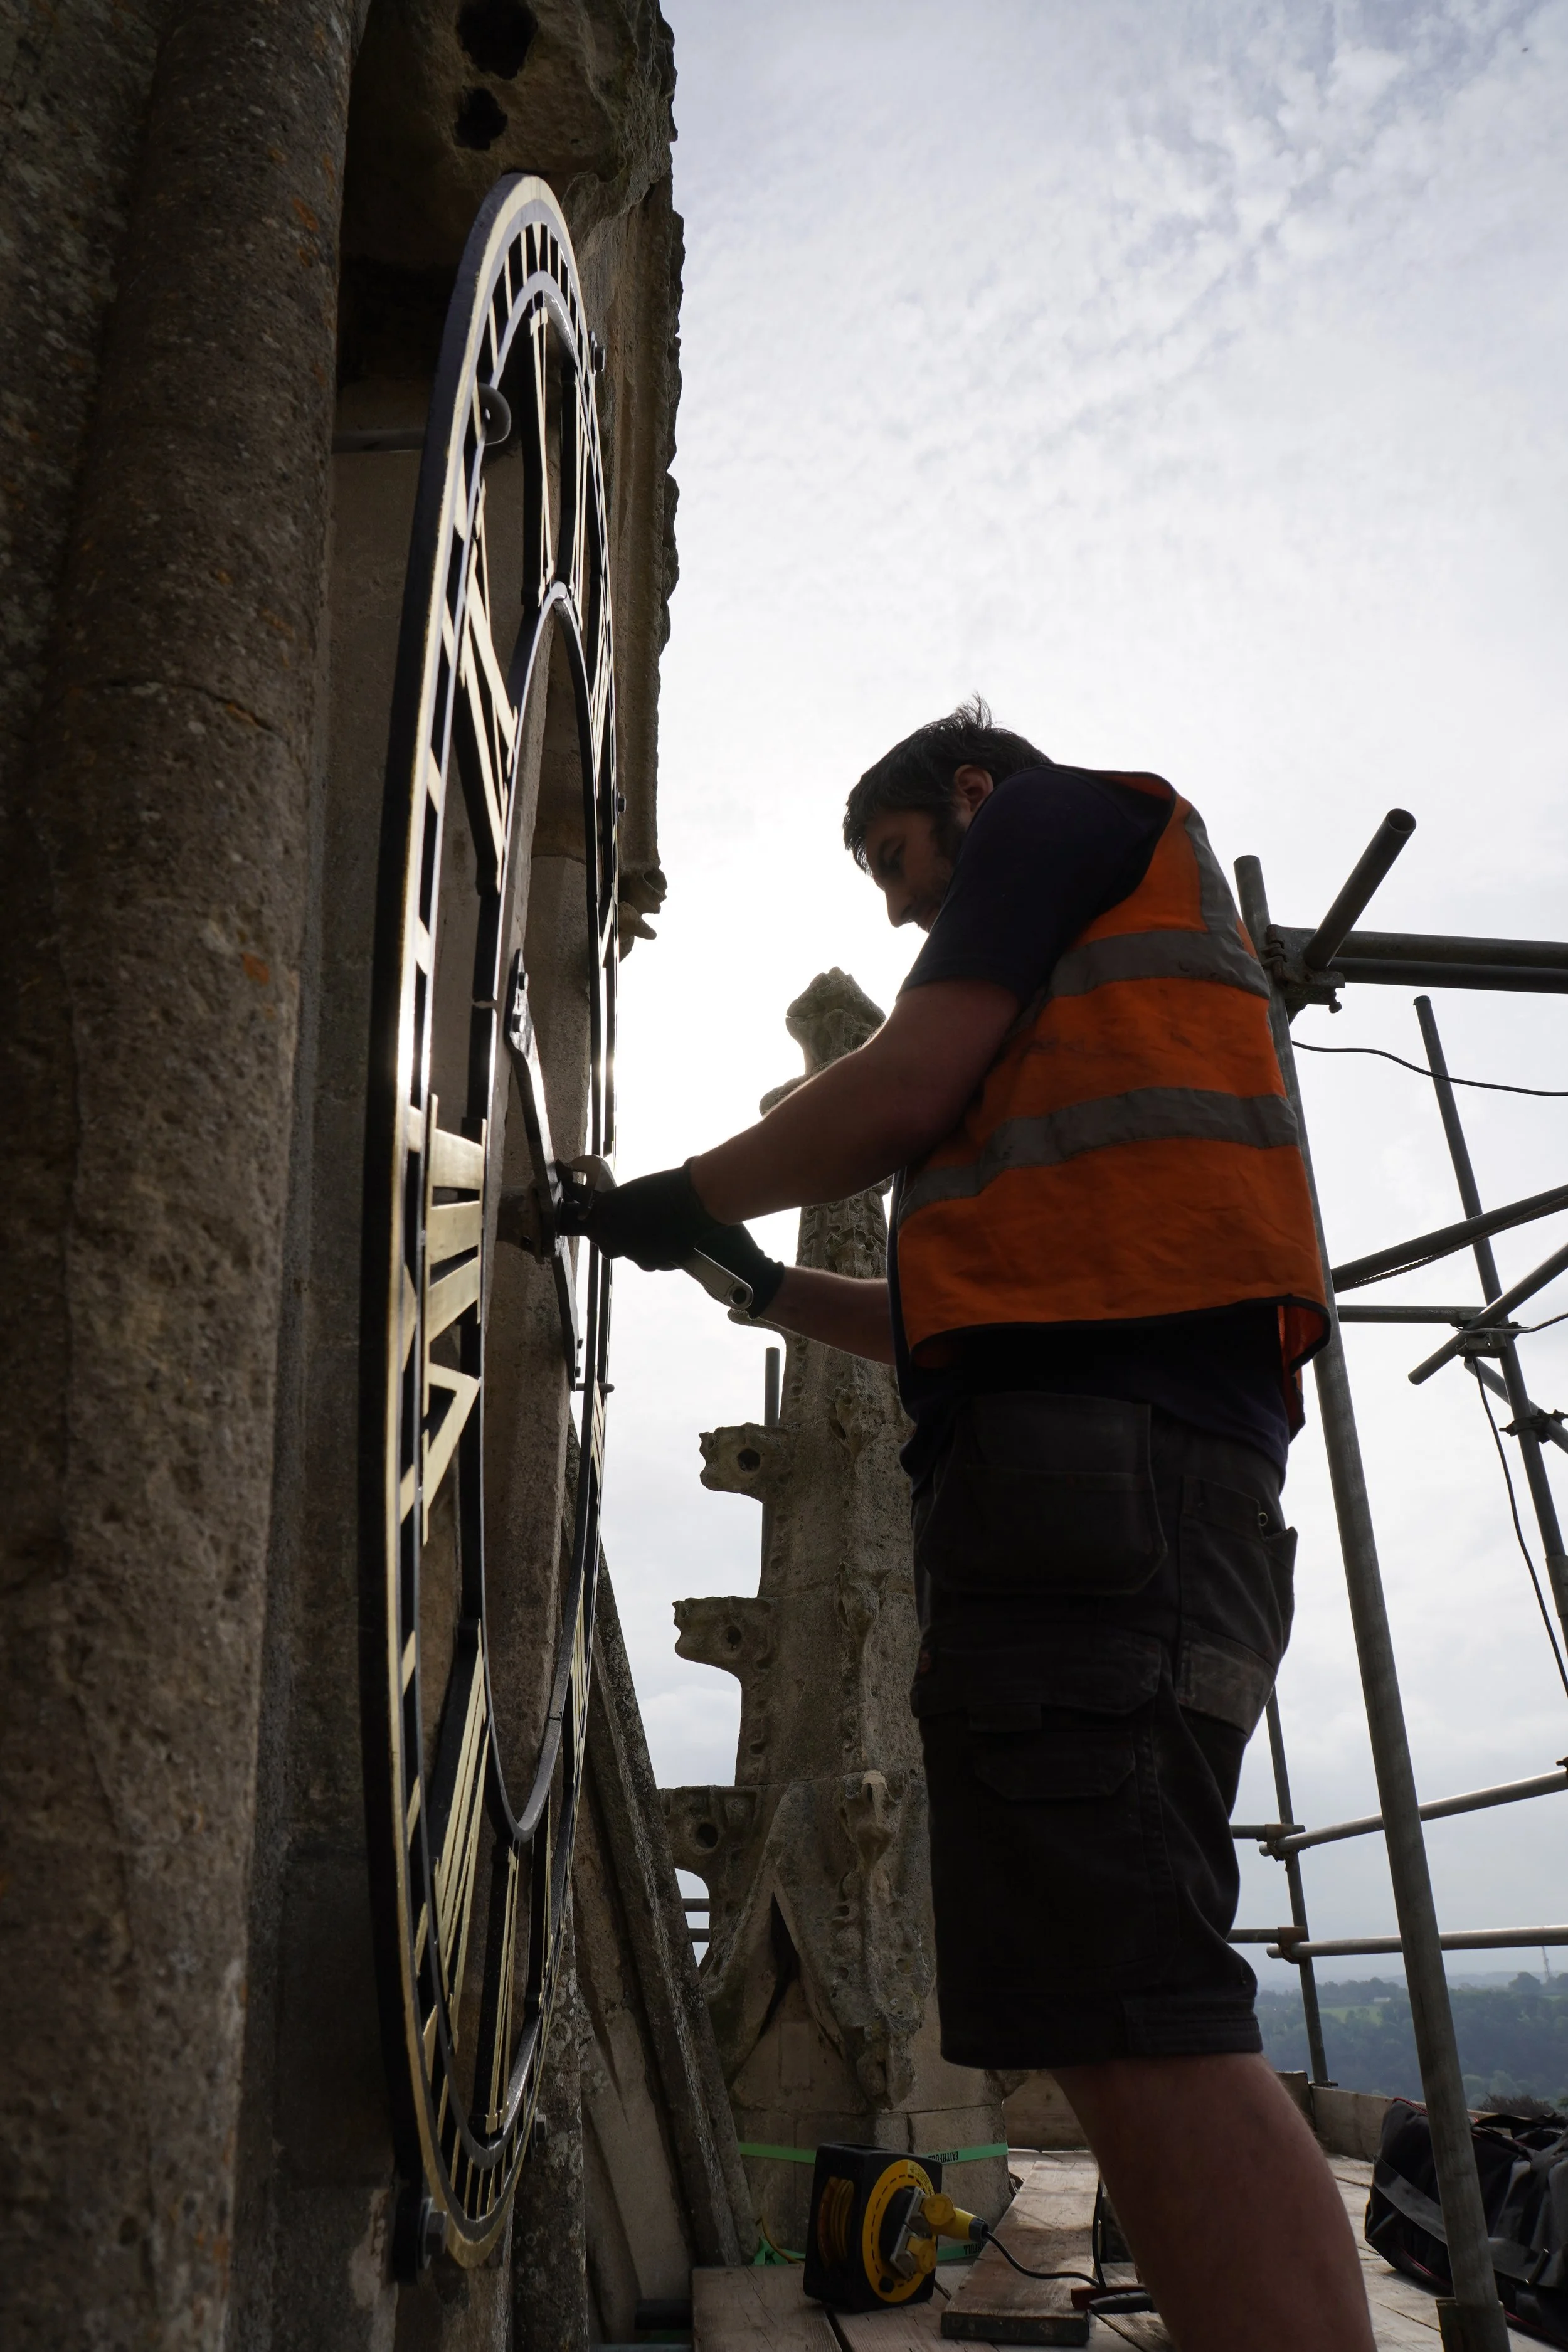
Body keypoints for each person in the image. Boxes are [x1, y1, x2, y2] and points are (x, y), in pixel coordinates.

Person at [586, 699, 1374, 2351]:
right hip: (1109, 1460)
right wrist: (759, 1282)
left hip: (1104, 1470)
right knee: (1110, 2006)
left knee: (1138, 2006)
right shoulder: (1079, 1040)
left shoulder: (1054, 817)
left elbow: (903, 1082)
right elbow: (952, 1317)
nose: (895, 908)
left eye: (894, 860)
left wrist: (677, 1191)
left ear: (966, 792)